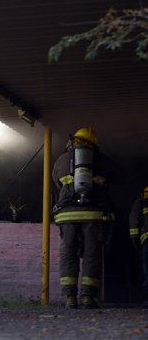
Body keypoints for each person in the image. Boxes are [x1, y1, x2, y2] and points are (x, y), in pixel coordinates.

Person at [52, 127, 113, 309]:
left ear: (73, 141)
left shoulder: (61, 160)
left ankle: (70, 297)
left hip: (66, 214)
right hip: (92, 214)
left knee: (68, 253)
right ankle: (87, 297)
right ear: (93, 143)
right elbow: (111, 181)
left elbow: (56, 183)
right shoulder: (100, 160)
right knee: (91, 253)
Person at [128, 186, 148, 307]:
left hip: (147, 241)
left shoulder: (140, 202)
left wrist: (134, 238)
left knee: (147, 270)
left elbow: (134, 219)